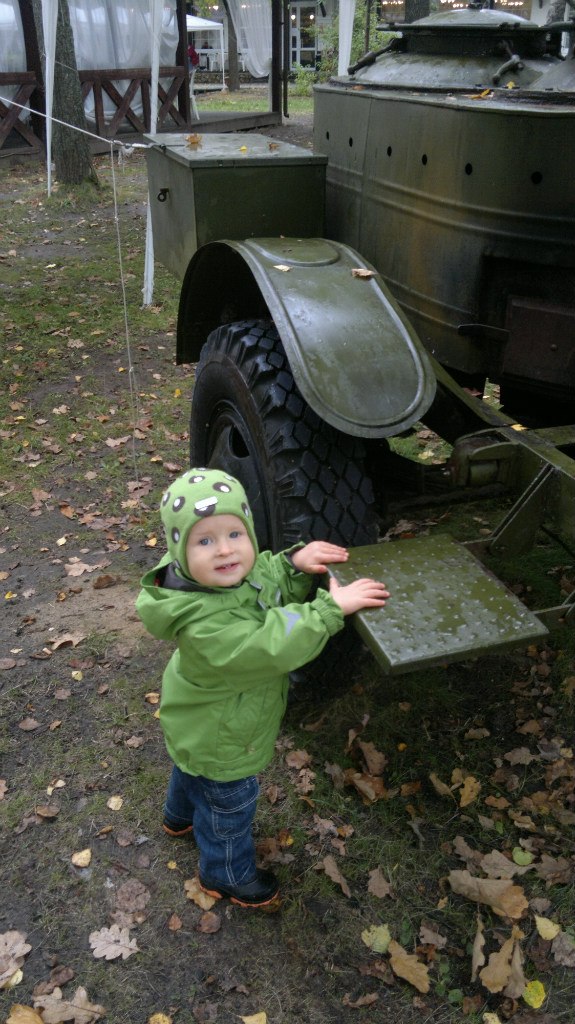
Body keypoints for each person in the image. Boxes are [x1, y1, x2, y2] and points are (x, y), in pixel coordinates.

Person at [136, 468, 389, 909]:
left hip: (198, 725)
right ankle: (225, 874)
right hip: (224, 733)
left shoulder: (225, 581)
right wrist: (329, 610)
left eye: (235, 532)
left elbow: (262, 583)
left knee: (191, 767)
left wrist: (291, 565)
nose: (226, 550)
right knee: (228, 807)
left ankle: (179, 819)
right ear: (180, 551)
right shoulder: (205, 625)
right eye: (205, 541)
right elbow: (271, 644)